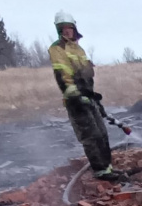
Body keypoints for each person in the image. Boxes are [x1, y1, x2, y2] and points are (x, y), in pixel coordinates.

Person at [49, 11, 121, 180]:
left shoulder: (78, 48)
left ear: (74, 28)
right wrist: (74, 94)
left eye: (70, 28)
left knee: (102, 133)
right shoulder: (57, 48)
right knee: (91, 136)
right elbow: (63, 74)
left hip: (88, 96)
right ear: (59, 30)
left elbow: (86, 74)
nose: (67, 31)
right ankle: (100, 171)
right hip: (75, 100)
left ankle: (108, 168)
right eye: (64, 29)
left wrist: (91, 95)